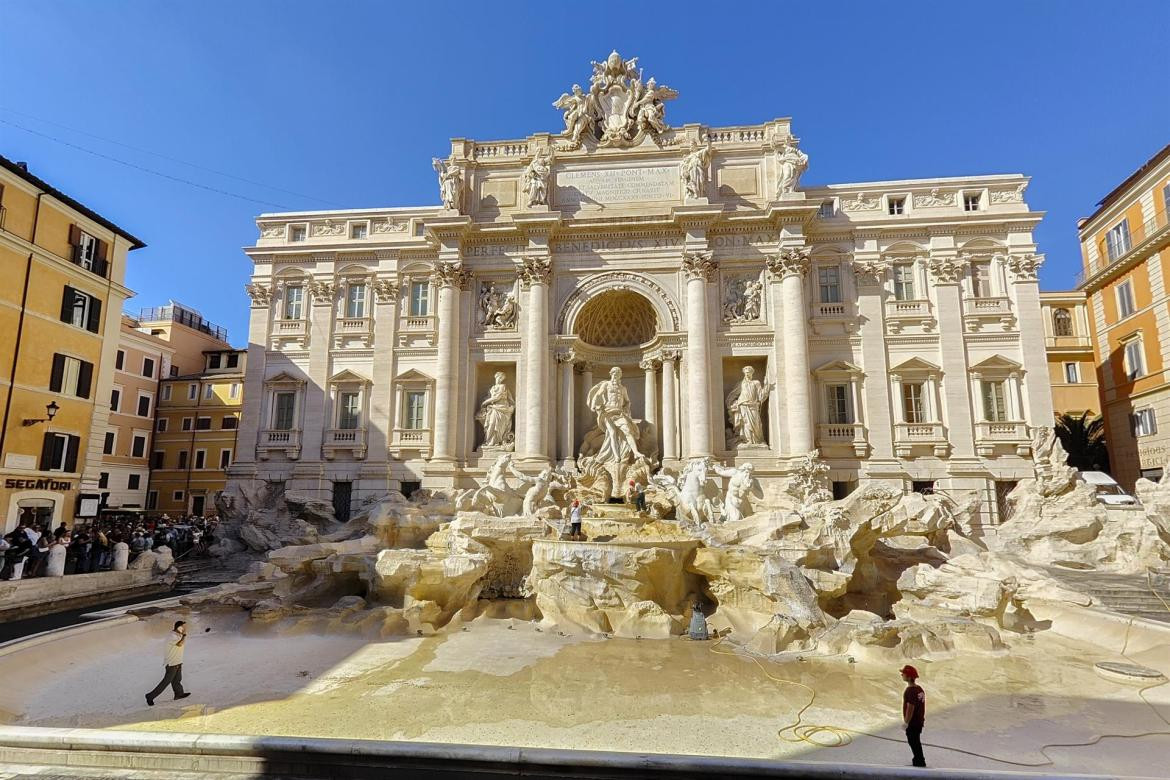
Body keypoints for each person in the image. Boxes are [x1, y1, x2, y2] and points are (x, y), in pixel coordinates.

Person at [146, 620, 192, 706]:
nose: (185, 629)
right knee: (165, 682)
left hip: (178, 662)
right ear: (179, 627)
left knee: (177, 680)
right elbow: (179, 644)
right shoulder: (172, 636)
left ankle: (179, 694)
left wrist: (183, 635)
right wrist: (184, 635)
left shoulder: (178, 634)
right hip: (172, 664)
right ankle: (150, 696)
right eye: (184, 627)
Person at [901, 664, 926, 768]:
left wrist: (906, 722)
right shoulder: (919, 689)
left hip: (913, 722)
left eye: (904, 673)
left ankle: (919, 761)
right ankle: (918, 760)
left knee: (913, 741)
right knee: (916, 741)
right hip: (919, 721)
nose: (902, 675)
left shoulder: (910, 691)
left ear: (909, 677)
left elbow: (911, 708)